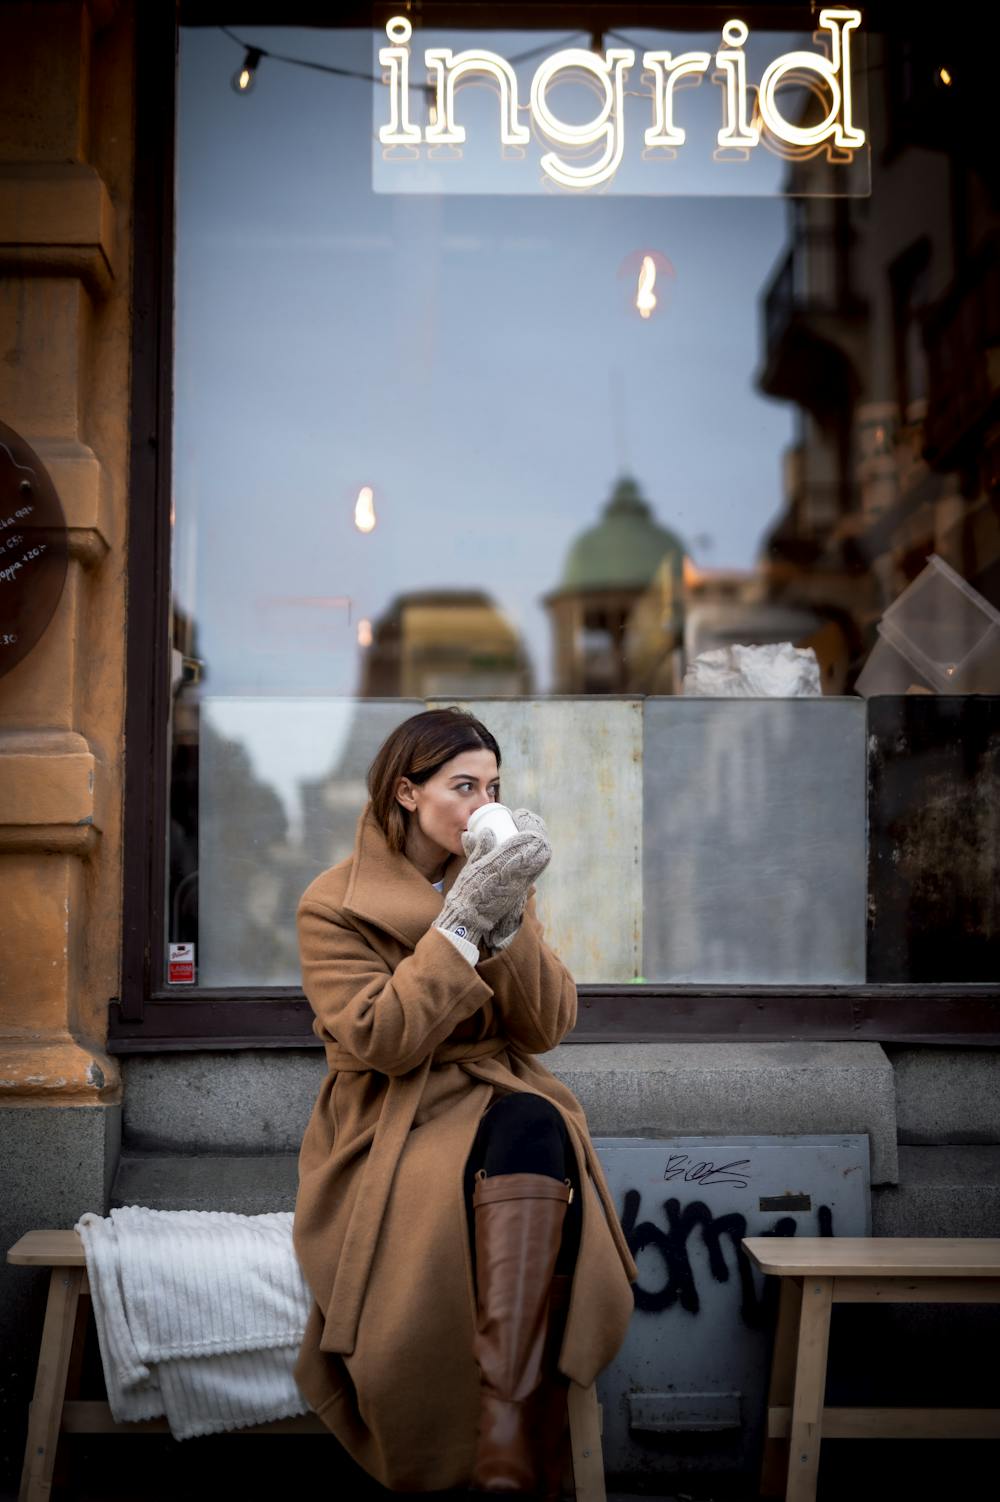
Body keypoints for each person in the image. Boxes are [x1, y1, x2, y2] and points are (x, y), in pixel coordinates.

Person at [292, 707, 636, 1496]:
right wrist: (457, 925)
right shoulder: (331, 903)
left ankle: (507, 1444)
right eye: (462, 786)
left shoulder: (491, 875)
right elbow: (381, 1039)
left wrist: (507, 922)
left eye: (493, 786)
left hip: (494, 1100)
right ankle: (492, 1450)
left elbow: (546, 1026)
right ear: (407, 793)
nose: (483, 802)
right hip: (389, 1123)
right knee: (513, 1147)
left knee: (536, 1116)